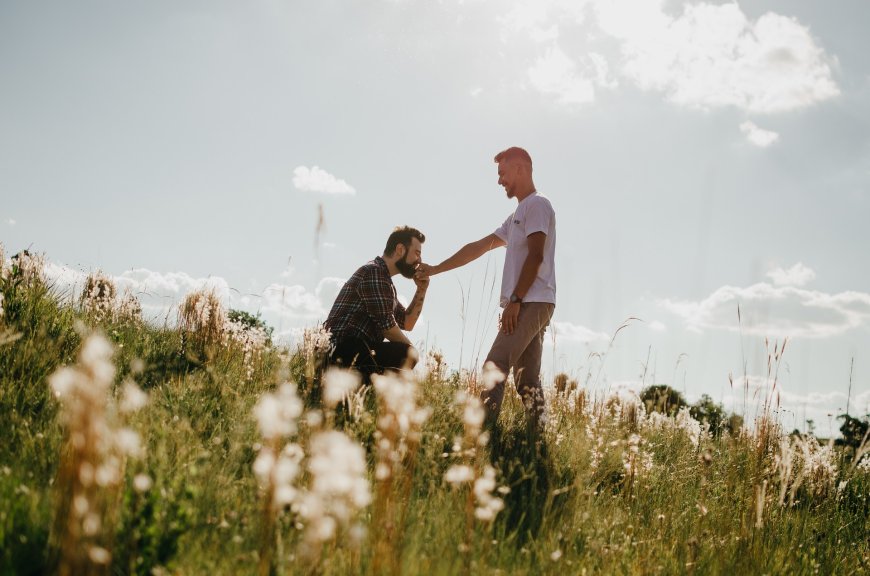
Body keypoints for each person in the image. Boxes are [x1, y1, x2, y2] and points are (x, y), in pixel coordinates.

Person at [417, 147, 556, 429]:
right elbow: (479, 247)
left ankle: (483, 435)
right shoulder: (518, 212)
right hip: (532, 300)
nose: (499, 181)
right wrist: (436, 269)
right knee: (527, 380)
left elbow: (536, 254)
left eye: (503, 173)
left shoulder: (537, 204)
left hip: (531, 300)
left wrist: (515, 300)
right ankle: (537, 438)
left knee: (494, 366)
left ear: (521, 169)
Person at [323, 226, 429, 380]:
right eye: (417, 253)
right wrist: (414, 354)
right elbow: (389, 329)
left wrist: (421, 290)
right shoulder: (374, 272)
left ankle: (365, 392)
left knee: (404, 354)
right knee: (405, 354)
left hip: (358, 351)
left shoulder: (386, 283)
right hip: (340, 349)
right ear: (400, 249)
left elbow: (407, 323)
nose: (419, 260)